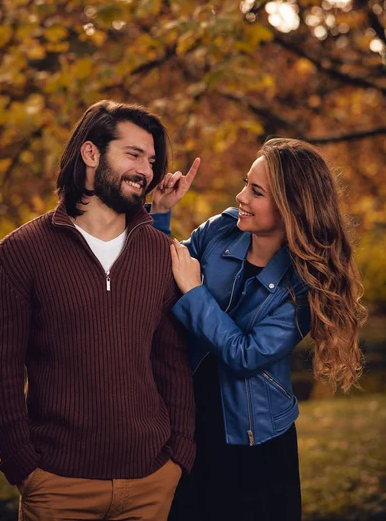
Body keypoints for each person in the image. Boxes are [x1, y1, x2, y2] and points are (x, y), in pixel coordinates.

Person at [0, 100, 196, 521]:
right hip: (58, 487)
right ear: (91, 153)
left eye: (151, 160)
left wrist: (179, 456)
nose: (145, 170)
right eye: (133, 154)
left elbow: (172, 363)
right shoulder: (20, 252)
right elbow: (1, 370)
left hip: (150, 483)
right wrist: (23, 466)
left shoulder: (161, 254)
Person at [150, 138, 366, 521]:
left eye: (256, 191)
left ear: (290, 207)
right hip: (186, 424)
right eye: (246, 184)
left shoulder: (303, 283)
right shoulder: (220, 230)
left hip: (254, 444)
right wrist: (160, 214)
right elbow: (158, 277)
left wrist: (196, 292)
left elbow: (246, 355)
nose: (241, 196)